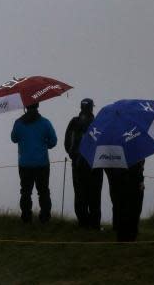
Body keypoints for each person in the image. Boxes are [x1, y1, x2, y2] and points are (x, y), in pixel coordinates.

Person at [11, 103, 57, 223]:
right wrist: (44, 143)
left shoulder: (19, 123)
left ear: (26, 107)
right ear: (37, 107)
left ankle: (26, 218)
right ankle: (45, 218)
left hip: (25, 164)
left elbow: (14, 138)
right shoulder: (45, 122)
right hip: (42, 163)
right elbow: (53, 142)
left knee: (25, 192)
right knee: (43, 191)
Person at [63, 98, 103, 229]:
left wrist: (73, 155)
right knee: (95, 195)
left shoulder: (74, 122)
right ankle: (95, 225)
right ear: (92, 108)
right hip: (95, 165)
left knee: (80, 194)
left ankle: (82, 223)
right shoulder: (98, 123)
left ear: (81, 108)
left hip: (77, 164)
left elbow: (67, 143)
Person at [105, 160, 145, 242]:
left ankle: (124, 235)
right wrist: (140, 179)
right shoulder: (135, 151)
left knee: (121, 207)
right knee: (133, 208)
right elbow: (138, 166)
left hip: (118, 179)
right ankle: (130, 235)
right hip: (130, 179)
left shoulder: (110, 150)